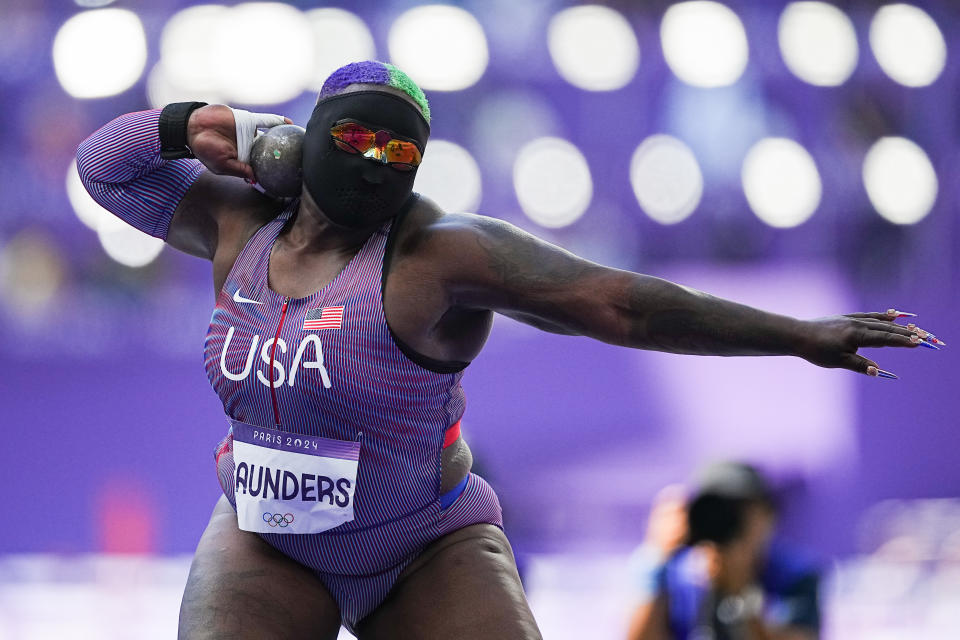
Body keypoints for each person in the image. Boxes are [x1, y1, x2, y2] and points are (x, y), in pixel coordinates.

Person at [76, 60, 933, 639]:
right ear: (301, 139)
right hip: (265, 541)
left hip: (424, 549)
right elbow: (103, 166)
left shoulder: (437, 253)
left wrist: (799, 338)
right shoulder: (236, 220)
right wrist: (201, 122)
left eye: (399, 153)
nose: (376, 167)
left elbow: (619, 304)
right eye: (354, 143)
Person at [626, 463, 820, 640]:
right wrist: (657, 559)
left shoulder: (794, 575)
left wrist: (742, 596)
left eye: (742, 511)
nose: (727, 522)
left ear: (769, 516)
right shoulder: (673, 571)